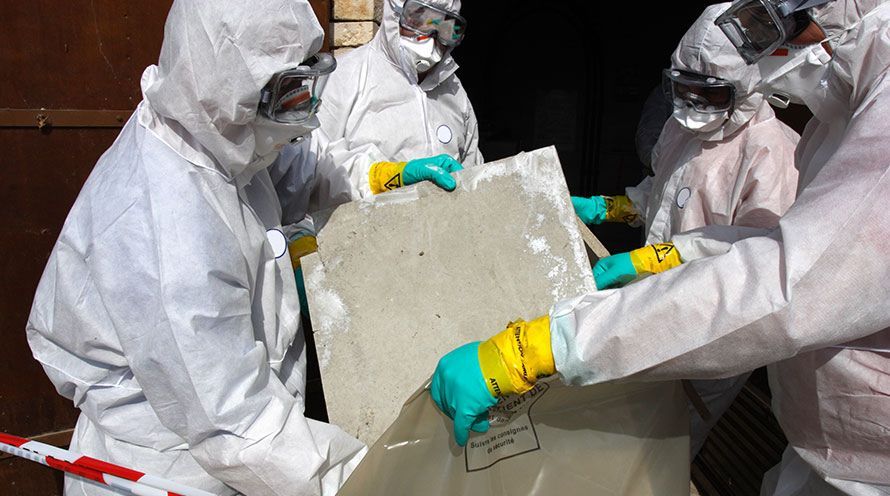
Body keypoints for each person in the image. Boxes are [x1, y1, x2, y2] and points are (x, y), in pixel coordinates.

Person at [430, 1, 890, 494]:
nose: (692, 103)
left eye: (779, 25)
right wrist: (628, 224)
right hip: (819, 439)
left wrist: (545, 346)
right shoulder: (835, 116)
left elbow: (782, 287)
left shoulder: (773, 149)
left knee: (658, 449)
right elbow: (706, 213)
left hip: (760, 372)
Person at [25, 1, 366, 494]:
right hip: (174, 470)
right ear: (226, 89)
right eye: (286, 93)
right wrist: (373, 478)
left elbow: (300, 168)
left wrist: (379, 177)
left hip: (236, 445)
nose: (304, 115)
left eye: (306, 81)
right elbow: (239, 425)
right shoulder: (167, 233)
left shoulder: (212, 133)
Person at [572, 3, 801, 457]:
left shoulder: (771, 153)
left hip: (709, 326)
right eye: (683, 88)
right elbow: (665, 192)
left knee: (666, 444)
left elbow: (757, 259)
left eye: (711, 94)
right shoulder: (682, 129)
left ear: (747, 87)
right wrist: (611, 207)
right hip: (648, 302)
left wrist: (653, 259)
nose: (694, 104)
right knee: (617, 425)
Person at [314, 0, 483, 198]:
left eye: (445, 25)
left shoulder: (455, 93)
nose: (430, 36)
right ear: (395, 14)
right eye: (419, 18)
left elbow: (474, 175)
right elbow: (312, 172)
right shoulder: (343, 78)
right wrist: (387, 178)